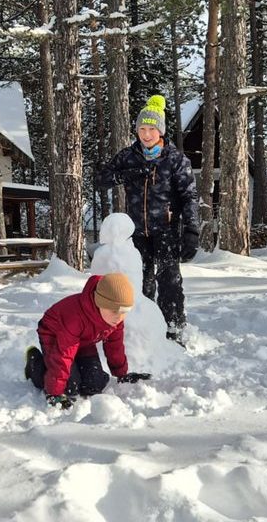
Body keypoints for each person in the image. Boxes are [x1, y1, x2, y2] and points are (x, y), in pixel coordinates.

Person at [94, 94, 200, 346]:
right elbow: (101, 180)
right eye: (142, 128)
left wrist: (192, 230)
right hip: (137, 234)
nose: (146, 134)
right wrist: (127, 175)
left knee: (169, 282)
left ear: (160, 130)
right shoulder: (128, 156)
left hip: (166, 230)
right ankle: (143, 332)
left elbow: (190, 196)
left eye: (151, 128)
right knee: (140, 284)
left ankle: (173, 331)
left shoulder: (175, 159)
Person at [23, 272, 151, 409]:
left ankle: (75, 368)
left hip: (83, 340)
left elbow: (115, 346)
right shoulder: (75, 318)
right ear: (100, 302)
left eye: (125, 311)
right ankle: (35, 363)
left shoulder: (115, 319)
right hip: (54, 334)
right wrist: (54, 393)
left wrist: (122, 374)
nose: (119, 317)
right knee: (70, 387)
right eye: (114, 310)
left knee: (94, 385)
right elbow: (63, 355)